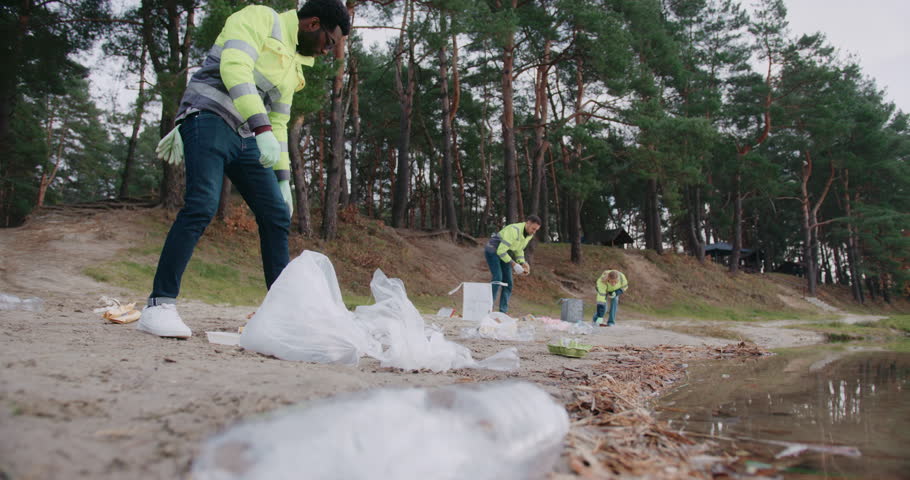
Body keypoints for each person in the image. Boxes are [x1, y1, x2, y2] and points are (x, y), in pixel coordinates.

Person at [138, 0, 350, 338]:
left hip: (248, 135)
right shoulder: (259, 18)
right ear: (312, 24)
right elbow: (234, 67)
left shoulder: (295, 65)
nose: (329, 52)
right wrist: (262, 129)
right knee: (202, 205)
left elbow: (279, 122)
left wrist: (283, 181)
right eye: (330, 42)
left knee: (276, 214)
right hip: (208, 117)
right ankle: (159, 305)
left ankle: (281, 317)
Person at [484, 215, 541, 314]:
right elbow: (501, 251)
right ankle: (488, 308)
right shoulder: (514, 230)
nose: (534, 232)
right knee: (498, 278)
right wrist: (514, 264)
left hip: (505, 253)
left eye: (536, 230)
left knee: (508, 282)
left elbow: (519, 249)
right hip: (493, 250)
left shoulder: (529, 235)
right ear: (527, 223)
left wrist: (523, 263)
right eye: (533, 229)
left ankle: (503, 312)